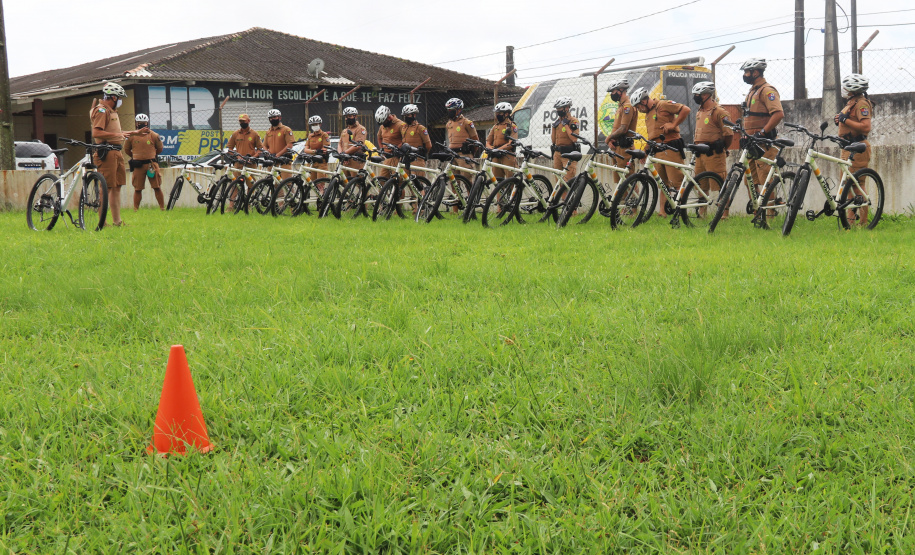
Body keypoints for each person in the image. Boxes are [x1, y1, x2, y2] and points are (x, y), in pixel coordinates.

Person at [631, 87, 691, 216]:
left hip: (670, 147)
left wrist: (673, 124)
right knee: (662, 183)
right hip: (656, 150)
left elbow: (685, 109)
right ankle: (662, 212)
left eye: (638, 106)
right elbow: (653, 134)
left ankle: (681, 211)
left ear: (644, 101)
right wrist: (646, 149)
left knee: (677, 182)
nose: (639, 110)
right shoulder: (648, 115)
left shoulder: (663, 104)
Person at [90, 82, 133, 227]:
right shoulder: (102, 111)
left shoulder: (111, 111)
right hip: (106, 152)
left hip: (116, 150)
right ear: (114, 98)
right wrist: (117, 134)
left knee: (117, 187)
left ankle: (117, 221)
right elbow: (96, 132)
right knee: (106, 187)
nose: (121, 101)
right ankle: (103, 222)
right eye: (120, 98)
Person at [835, 73, 874, 226]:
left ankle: (863, 222)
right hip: (847, 147)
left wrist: (846, 120)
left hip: (857, 148)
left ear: (853, 89)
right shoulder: (851, 102)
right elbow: (848, 120)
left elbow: (865, 126)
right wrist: (840, 120)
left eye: (846, 87)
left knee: (857, 184)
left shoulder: (861, 104)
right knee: (847, 185)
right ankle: (850, 221)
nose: (843, 90)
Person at [741, 58, 783, 195]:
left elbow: (778, 114)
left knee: (767, 180)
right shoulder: (752, 91)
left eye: (748, 72)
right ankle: (757, 213)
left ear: (756, 72)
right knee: (749, 181)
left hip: (764, 143)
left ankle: (770, 214)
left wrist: (763, 132)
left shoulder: (767, 90)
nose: (745, 75)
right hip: (751, 142)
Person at [691, 81, 733, 216]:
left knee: (719, 184)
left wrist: (722, 147)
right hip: (700, 153)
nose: (695, 97)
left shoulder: (719, 112)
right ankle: (702, 213)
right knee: (701, 185)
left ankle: (724, 214)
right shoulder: (700, 111)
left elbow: (729, 134)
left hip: (714, 153)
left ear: (706, 95)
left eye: (698, 95)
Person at [124, 113, 165, 211]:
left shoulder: (154, 135)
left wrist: (151, 155)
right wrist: (135, 157)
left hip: (151, 164)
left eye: (144, 122)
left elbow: (159, 149)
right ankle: (135, 209)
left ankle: (162, 208)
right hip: (138, 165)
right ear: (136, 123)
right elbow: (126, 150)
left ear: (147, 123)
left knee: (157, 186)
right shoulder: (131, 136)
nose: (142, 124)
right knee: (138, 188)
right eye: (140, 123)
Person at [604, 78, 638, 185]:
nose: (612, 94)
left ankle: (633, 201)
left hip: (624, 149)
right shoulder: (621, 106)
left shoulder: (627, 106)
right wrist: (612, 140)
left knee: (628, 181)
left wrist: (608, 138)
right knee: (619, 182)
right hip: (617, 148)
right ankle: (622, 201)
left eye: (613, 91)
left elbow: (623, 128)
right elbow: (617, 128)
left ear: (621, 90)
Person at [550, 97, 580, 187]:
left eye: (560, 108)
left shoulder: (573, 121)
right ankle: (563, 200)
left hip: (568, 153)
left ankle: (570, 200)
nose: (558, 110)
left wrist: (566, 125)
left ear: (567, 108)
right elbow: (554, 141)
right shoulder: (558, 122)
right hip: (557, 153)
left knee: (568, 181)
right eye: (557, 109)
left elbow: (574, 139)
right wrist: (554, 127)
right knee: (559, 181)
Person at [485, 101, 519, 180]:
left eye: (499, 113)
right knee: (497, 181)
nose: (497, 115)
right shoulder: (495, 127)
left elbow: (511, 143)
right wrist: (491, 149)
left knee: (511, 180)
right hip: (495, 156)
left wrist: (498, 150)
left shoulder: (512, 126)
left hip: (507, 155)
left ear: (506, 114)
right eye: (497, 113)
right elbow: (488, 142)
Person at [444, 98, 479, 170]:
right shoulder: (448, 124)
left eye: (452, 110)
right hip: (452, 154)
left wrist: (471, 153)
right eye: (449, 110)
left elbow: (475, 140)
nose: (450, 112)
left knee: (466, 177)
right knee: (453, 179)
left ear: (459, 110)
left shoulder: (467, 123)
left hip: (464, 154)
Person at [375, 105, 407, 179]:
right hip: (387, 158)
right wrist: (382, 149)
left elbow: (405, 139)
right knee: (381, 180)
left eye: (384, 122)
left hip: (397, 157)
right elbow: (379, 137)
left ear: (389, 118)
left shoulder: (400, 125)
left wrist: (398, 147)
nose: (383, 124)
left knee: (397, 181)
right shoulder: (382, 126)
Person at [400, 104, 432, 174]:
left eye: (408, 115)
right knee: (404, 181)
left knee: (417, 181)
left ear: (414, 115)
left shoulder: (420, 128)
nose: (406, 117)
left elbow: (428, 145)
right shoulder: (403, 128)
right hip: (405, 159)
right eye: (405, 116)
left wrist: (422, 154)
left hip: (416, 159)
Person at [338, 107, 367, 176]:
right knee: (344, 183)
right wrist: (341, 154)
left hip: (355, 160)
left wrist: (345, 153)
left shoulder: (360, 129)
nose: (347, 118)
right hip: (344, 160)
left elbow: (358, 145)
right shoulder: (344, 131)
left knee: (356, 183)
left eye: (350, 116)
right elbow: (339, 144)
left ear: (355, 116)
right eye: (346, 117)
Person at [302, 115, 331, 183]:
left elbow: (324, 150)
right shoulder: (310, 136)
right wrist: (316, 151)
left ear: (320, 124)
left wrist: (313, 151)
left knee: (320, 183)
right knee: (311, 183)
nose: (314, 126)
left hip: (321, 162)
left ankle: (323, 193)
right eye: (313, 125)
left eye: (316, 124)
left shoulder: (324, 135)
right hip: (312, 161)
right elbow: (305, 149)